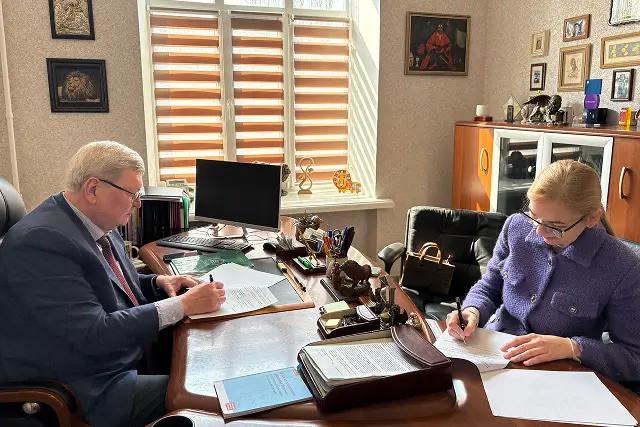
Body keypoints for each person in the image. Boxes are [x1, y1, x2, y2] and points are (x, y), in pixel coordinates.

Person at [0, 141, 227, 427]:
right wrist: (182, 305)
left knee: (214, 360)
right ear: (93, 189)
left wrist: (158, 282)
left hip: (120, 358)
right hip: (89, 386)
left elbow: (107, 283)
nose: (138, 203)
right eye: (133, 194)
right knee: (213, 393)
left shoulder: (93, 222)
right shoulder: (41, 242)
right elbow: (93, 334)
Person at [446, 160, 640, 383]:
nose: (538, 231)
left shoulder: (623, 267)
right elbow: (490, 287)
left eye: (555, 226)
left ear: (592, 218)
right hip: (492, 357)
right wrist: (472, 311)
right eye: (534, 216)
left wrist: (573, 347)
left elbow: (634, 358)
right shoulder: (516, 227)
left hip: (557, 379)